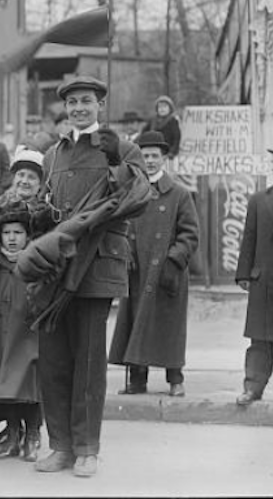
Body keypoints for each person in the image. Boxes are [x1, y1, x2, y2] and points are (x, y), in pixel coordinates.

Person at [34, 75, 149, 477]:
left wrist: (117, 160)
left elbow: (138, 196)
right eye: (72, 102)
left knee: (87, 362)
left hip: (95, 266)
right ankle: (60, 445)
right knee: (52, 361)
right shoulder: (53, 154)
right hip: (55, 268)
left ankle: (87, 448)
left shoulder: (122, 149)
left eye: (87, 101)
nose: (79, 108)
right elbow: (43, 208)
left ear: (100, 104)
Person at [108, 132, 199, 397]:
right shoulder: (133, 192)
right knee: (136, 322)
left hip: (167, 272)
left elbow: (190, 234)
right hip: (137, 271)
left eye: (154, 156)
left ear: (164, 159)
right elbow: (120, 227)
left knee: (169, 327)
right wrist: (125, 252)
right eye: (145, 156)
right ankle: (137, 380)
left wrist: (174, 260)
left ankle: (175, 379)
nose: (149, 161)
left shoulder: (179, 194)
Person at [234, 136, 273, 406]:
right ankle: (252, 388)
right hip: (265, 280)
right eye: (272, 163)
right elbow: (249, 238)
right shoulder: (259, 200)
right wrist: (244, 274)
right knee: (259, 340)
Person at [0, 204, 45, 462]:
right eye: (7, 232)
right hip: (2, 331)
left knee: (30, 385)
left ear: (27, 235)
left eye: (18, 232)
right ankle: (13, 435)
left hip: (28, 332)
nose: (12, 238)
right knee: (6, 384)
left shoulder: (36, 261)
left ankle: (32, 436)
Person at [0, 149, 45, 223]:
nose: (24, 181)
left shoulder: (44, 212)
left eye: (31, 177)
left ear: (40, 184)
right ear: (14, 178)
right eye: (21, 175)